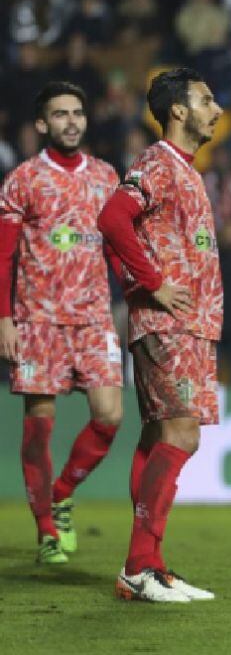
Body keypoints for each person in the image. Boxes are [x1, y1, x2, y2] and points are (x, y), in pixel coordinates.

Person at [97, 68, 224, 604]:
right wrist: (153, 283)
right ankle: (137, 565)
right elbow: (112, 219)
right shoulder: (158, 162)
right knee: (181, 435)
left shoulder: (187, 172)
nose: (216, 109)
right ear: (178, 110)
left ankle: (150, 564)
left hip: (189, 326)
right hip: (168, 322)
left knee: (156, 439)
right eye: (206, 99)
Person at [0, 81, 124, 565]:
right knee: (38, 428)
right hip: (39, 320)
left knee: (110, 415)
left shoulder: (106, 177)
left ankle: (63, 491)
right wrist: (4, 318)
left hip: (93, 319)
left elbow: (116, 247)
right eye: (60, 114)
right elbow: (4, 255)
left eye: (77, 113)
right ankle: (47, 529)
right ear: (41, 124)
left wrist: (136, 295)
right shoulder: (23, 180)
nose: (70, 121)